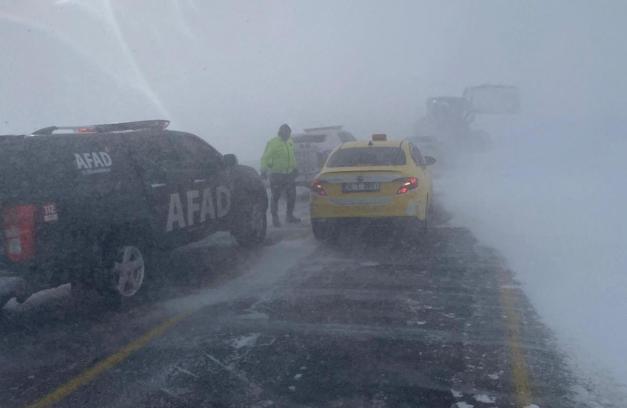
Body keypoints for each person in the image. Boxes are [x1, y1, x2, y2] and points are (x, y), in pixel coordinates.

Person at [260, 124, 300, 227]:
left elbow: (291, 156)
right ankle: (275, 219)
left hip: (289, 174)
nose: (288, 135)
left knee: (292, 196)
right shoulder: (273, 143)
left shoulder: (290, 142)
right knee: (275, 197)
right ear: (280, 132)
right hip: (276, 175)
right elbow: (265, 157)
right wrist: (263, 171)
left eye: (289, 133)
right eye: (286, 133)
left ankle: (289, 216)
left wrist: (295, 168)